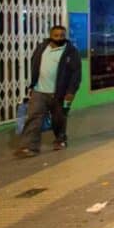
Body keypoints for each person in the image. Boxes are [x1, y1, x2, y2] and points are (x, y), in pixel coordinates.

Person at [16, 25, 81, 157]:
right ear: (51, 35)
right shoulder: (41, 48)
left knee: (59, 118)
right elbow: (35, 66)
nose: (59, 38)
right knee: (34, 118)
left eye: (62, 35)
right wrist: (33, 85)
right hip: (39, 91)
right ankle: (29, 147)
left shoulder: (71, 52)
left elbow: (76, 74)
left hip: (60, 93)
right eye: (56, 35)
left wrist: (71, 92)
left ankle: (60, 139)